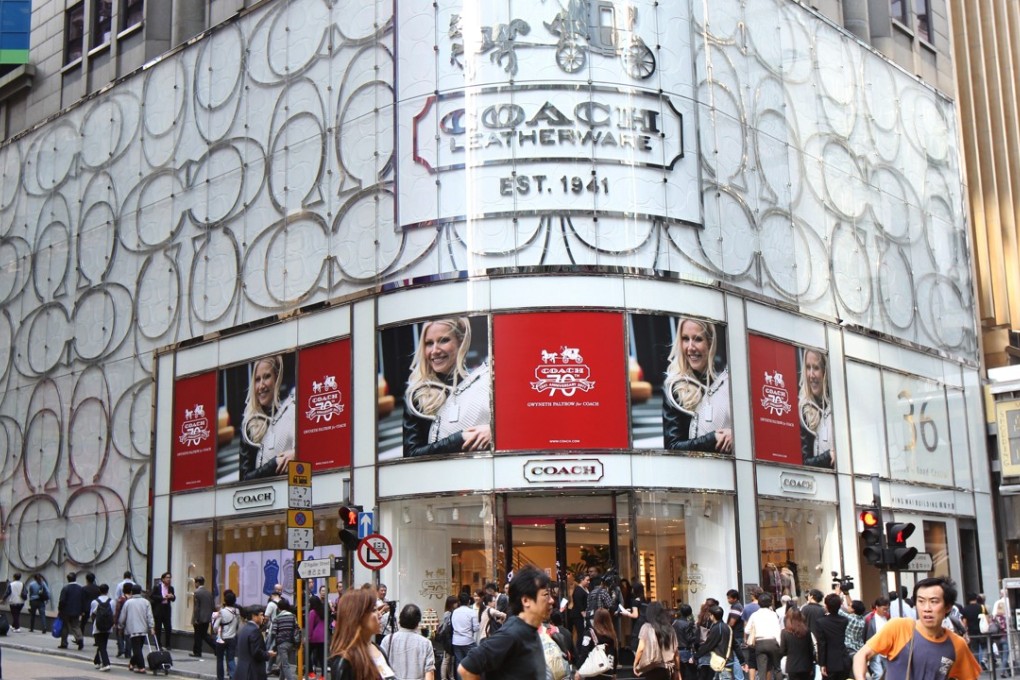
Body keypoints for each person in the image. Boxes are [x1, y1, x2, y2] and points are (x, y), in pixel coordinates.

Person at [853, 576, 980, 680]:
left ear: (948, 607)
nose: (927, 608)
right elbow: (861, 655)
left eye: (934, 601)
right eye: (921, 601)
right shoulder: (899, 627)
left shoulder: (957, 644)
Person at [402, 317, 491, 458]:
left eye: (443, 340)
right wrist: (458, 439)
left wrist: (493, 431)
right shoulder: (417, 394)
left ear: (461, 342)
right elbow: (411, 454)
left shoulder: (484, 382)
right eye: (429, 343)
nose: (435, 350)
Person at [458, 565, 552, 680]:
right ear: (526, 600)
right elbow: (466, 668)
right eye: (546, 595)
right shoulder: (511, 634)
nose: (551, 600)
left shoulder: (532, 630)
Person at [662, 318, 733, 452]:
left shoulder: (726, 380)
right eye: (685, 339)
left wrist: (735, 435)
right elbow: (672, 447)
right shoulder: (673, 388)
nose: (690, 347)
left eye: (698, 339)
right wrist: (712, 439)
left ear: (710, 342)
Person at [240, 355, 296, 480]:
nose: (261, 385)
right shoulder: (250, 424)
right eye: (257, 379)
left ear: (277, 377)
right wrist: (274, 464)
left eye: (266, 377)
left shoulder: (292, 408)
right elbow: (244, 478)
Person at [327, 588, 396, 680]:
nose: (379, 615)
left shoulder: (378, 649)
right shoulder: (345, 661)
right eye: (374, 610)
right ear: (358, 616)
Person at [380, 603, 436, 680]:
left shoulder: (387, 640)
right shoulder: (425, 643)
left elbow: (381, 669)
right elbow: (429, 672)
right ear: (418, 622)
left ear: (400, 620)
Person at [799, 348, 834, 467]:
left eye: (816, 368)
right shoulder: (804, 411)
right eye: (808, 367)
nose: (811, 375)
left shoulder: (837, 404)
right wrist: (829, 456)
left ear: (825, 371)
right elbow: (804, 462)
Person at [634, 601, 680, 680]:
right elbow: (675, 652)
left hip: (650, 667)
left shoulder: (646, 627)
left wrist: (635, 663)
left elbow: (641, 649)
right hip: (666, 668)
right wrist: (677, 670)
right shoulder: (669, 628)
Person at [119, 583, 155, 674]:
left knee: (136, 649)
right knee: (138, 648)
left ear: (131, 592)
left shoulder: (128, 602)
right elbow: (149, 616)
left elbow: (123, 616)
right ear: (140, 592)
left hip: (132, 629)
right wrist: (151, 627)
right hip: (143, 629)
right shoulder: (146, 602)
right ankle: (132, 663)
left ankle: (141, 667)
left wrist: (120, 626)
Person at [575, 607, 618, 680]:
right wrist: (614, 672)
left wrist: (578, 669)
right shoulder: (612, 635)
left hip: (594, 671)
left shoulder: (590, 633)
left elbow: (584, 653)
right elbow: (615, 655)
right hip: (608, 672)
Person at [814, 593, 850, 680]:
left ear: (826, 606)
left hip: (829, 662)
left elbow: (821, 644)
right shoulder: (844, 620)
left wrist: (822, 663)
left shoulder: (821, 622)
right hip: (843, 659)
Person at [746, 593, 782, 680]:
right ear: (770, 603)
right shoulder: (773, 614)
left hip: (760, 643)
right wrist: (780, 645)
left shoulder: (755, 615)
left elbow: (746, 630)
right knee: (777, 668)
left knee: (762, 670)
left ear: (759, 602)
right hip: (772, 643)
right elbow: (777, 631)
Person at [234, 605, 275, 680]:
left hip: (242, 670)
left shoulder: (244, 628)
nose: (263, 617)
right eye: (261, 615)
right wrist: (268, 654)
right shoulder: (254, 631)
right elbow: (256, 653)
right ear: (254, 616)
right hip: (252, 672)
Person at [694, 605, 730, 680]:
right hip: (726, 659)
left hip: (718, 660)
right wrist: (742, 661)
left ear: (712, 616)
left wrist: (696, 656)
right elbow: (734, 644)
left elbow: (708, 645)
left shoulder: (716, 628)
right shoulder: (727, 627)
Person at [779, 607, 814, 680]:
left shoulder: (785, 632)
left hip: (792, 666)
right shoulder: (806, 631)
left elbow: (782, 651)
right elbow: (810, 649)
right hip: (806, 665)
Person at [213, 589, 241, 680]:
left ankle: (220, 678)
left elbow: (215, 627)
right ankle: (234, 676)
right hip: (232, 638)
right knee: (231, 659)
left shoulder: (222, 612)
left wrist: (217, 631)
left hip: (222, 638)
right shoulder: (237, 612)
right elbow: (238, 625)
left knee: (220, 660)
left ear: (225, 601)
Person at [450, 591, 479, 672]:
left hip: (456, 641)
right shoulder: (472, 612)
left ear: (459, 601)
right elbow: (476, 627)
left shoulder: (455, 612)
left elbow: (453, 625)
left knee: (459, 664)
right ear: (469, 601)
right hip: (468, 640)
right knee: (471, 663)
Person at [271, 600, 300, 680]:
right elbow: (297, 628)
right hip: (291, 643)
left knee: (285, 665)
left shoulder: (277, 618)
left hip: (281, 643)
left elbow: (274, 632)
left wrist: (274, 644)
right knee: (284, 664)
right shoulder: (293, 616)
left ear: (279, 608)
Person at [89, 583, 114, 671]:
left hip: (98, 626)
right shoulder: (112, 601)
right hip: (108, 626)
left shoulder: (94, 602)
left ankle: (106, 664)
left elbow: (92, 614)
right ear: (107, 591)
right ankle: (97, 661)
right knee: (103, 644)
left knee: (101, 645)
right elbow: (113, 614)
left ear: (99, 591)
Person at [57, 571, 85, 650]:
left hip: (66, 611)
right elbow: (83, 600)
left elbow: (62, 601)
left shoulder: (65, 588)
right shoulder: (80, 588)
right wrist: (81, 610)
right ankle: (80, 639)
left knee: (65, 627)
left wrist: (60, 609)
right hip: (76, 611)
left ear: (68, 579)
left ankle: (64, 643)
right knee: (76, 626)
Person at [864, 597, 890, 680]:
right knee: (878, 674)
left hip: (886, 651)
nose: (885, 611)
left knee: (887, 675)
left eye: (887, 609)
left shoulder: (888, 617)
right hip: (875, 651)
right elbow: (865, 635)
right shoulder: (869, 618)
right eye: (884, 609)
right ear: (877, 607)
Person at [961, 592, 988, 670]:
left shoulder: (965, 609)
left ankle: (976, 666)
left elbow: (964, 622)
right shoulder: (982, 607)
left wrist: (965, 632)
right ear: (976, 599)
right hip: (982, 631)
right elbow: (987, 619)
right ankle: (984, 659)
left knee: (974, 649)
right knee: (985, 646)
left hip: (972, 632)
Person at [672, 603, 699, 680]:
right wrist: (696, 634)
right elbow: (689, 638)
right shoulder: (687, 624)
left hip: (676, 650)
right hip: (685, 650)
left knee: (680, 671)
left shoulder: (675, 622)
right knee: (689, 672)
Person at [149, 571, 175, 649]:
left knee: (168, 627)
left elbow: (174, 598)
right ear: (163, 579)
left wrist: (172, 596)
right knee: (158, 628)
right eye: (167, 578)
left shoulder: (171, 588)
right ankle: (158, 644)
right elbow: (152, 596)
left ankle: (168, 644)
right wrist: (162, 598)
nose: (169, 579)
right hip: (159, 609)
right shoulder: (157, 587)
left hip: (166, 609)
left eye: (170, 578)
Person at [192, 575, 216, 658]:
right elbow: (213, 606)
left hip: (199, 618)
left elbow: (196, 607)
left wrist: (195, 618)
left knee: (199, 635)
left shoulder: (197, 592)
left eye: (195, 582)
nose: (195, 584)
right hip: (207, 617)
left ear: (197, 583)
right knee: (203, 634)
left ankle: (198, 652)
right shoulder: (208, 592)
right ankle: (215, 648)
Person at [621, 581, 648, 652]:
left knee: (635, 645)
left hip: (637, 625)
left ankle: (637, 661)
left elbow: (635, 615)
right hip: (645, 624)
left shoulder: (635, 601)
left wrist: (626, 613)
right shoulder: (644, 601)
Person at [308, 589, 328, 678]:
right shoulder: (323, 610)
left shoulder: (312, 612)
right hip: (323, 637)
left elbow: (310, 626)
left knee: (307, 653)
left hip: (314, 637)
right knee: (322, 657)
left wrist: (308, 637)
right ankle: (323, 676)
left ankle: (311, 672)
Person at [570, 572, 590, 642]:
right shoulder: (578, 590)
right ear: (582, 580)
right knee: (581, 633)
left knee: (582, 633)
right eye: (587, 580)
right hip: (578, 615)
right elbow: (578, 602)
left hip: (582, 614)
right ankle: (579, 651)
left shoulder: (585, 589)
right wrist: (583, 613)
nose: (588, 582)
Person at [82, 572, 100, 636]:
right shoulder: (98, 588)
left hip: (86, 608)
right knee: (95, 624)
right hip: (96, 608)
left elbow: (82, 599)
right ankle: (97, 639)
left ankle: (80, 638)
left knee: (82, 623)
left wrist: (82, 610)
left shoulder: (84, 588)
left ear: (87, 579)